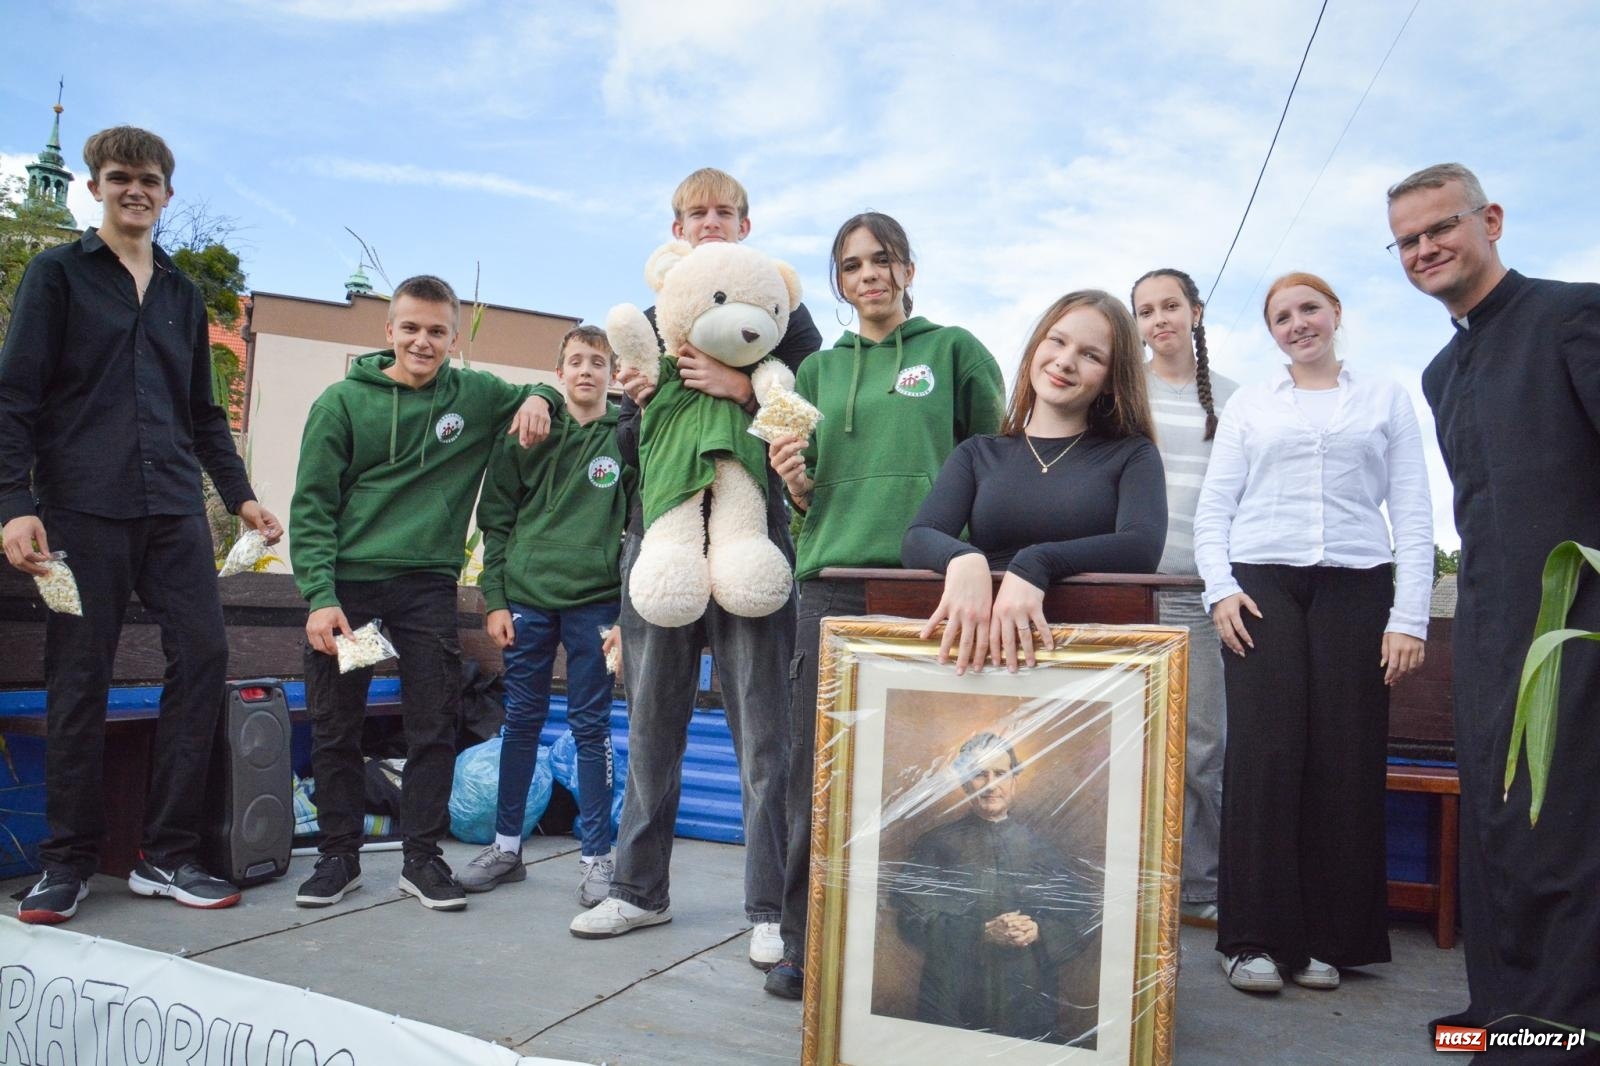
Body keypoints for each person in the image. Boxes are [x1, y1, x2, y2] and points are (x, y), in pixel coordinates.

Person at [0, 126, 282, 924]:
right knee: (78, 673)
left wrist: (240, 496)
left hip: (172, 513)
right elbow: (13, 398)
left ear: (166, 192)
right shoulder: (57, 276)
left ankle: (167, 854)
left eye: (150, 179)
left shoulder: (182, 295)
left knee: (204, 654)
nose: (136, 189)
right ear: (95, 187)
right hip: (79, 514)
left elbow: (202, 413)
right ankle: (67, 863)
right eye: (121, 176)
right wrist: (12, 505)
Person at [570, 168, 821, 979]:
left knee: (764, 737)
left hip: (753, 547)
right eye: (695, 213)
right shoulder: (651, 318)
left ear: (747, 225)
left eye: (723, 213)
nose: (709, 223)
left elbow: (811, 420)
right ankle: (640, 890)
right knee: (650, 725)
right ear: (673, 227)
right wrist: (639, 406)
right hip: (664, 545)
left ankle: (769, 910)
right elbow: (624, 453)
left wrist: (745, 387)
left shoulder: (786, 315)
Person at [764, 212, 1005, 999]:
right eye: (851, 265)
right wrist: (796, 484)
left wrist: (982, 566)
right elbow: (805, 498)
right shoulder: (817, 377)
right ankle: (804, 941)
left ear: (907, 268)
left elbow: (994, 468)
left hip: (930, 587)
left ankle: (923, 939)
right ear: (838, 282)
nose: (867, 275)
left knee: (924, 765)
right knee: (814, 769)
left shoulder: (954, 351)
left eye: (882, 260)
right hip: (831, 581)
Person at [1387, 162, 1600, 1049]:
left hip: (1575, 620)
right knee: (1497, 812)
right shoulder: (1439, 373)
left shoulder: (1572, 313)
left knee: (1568, 825)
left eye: (1441, 227)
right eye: (1407, 241)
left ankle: (1565, 1026)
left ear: (1492, 220)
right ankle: (1502, 1010)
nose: (1426, 248)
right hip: (1483, 621)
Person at [1193, 271, 1431, 994]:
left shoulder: (1384, 397)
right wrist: (1221, 590)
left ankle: (1329, 938)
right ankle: (1253, 940)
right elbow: (1215, 508)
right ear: (1272, 332)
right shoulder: (1250, 407)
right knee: (1265, 757)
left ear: (1335, 314)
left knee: (1344, 760)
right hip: (1262, 586)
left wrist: (1409, 616)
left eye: (1309, 309)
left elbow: (1415, 514)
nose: (1297, 324)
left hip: (1357, 587)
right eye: (1282, 316)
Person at [290, 274, 557, 912]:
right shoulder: (340, 404)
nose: (422, 341)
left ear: (454, 337)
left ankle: (422, 859)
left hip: (426, 584)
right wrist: (320, 594)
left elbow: (538, 389)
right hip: (349, 584)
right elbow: (312, 508)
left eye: (437, 330)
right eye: (410, 327)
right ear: (388, 332)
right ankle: (337, 858)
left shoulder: (475, 394)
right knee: (336, 724)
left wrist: (541, 397)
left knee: (433, 721)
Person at [459, 325, 635, 906]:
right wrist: (497, 598)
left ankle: (597, 858)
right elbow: (497, 520)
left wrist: (628, 613)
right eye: (577, 361)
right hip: (527, 601)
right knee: (521, 724)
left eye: (599, 362)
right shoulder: (527, 431)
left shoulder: (626, 436)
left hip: (597, 604)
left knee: (591, 728)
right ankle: (507, 848)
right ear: (559, 372)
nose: (587, 370)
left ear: (612, 375)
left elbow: (642, 523)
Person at [902, 289, 1166, 673]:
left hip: (1086, 662)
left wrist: (1037, 562)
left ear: (1111, 379)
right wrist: (963, 557)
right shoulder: (978, 453)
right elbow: (918, 537)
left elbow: (1141, 548)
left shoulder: (1133, 454)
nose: (1065, 361)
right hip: (980, 661)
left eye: (1090, 355)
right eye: (1057, 341)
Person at [1129, 269, 1239, 927]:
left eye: (1170, 306)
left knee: (1204, 747)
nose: (1159, 319)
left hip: (1200, 593)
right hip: (1130, 589)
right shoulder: (1123, 392)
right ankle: (1136, 884)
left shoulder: (1233, 399)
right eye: (1145, 310)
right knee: (1134, 745)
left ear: (1195, 312)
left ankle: (1201, 886)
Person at [887, 733, 1089, 1043]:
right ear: (965, 782)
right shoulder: (936, 844)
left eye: (1000, 774)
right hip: (951, 1001)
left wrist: (1038, 931)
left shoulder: (1043, 850)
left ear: (1014, 780)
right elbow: (910, 923)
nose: (991, 785)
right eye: (979, 774)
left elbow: (1079, 921)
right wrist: (980, 932)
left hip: (1027, 1003)